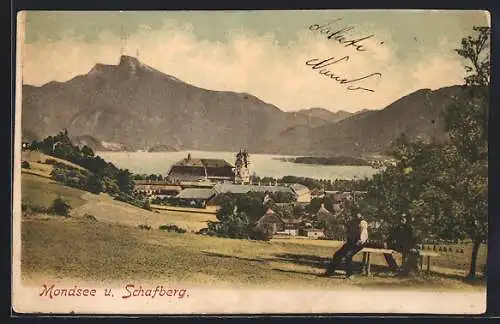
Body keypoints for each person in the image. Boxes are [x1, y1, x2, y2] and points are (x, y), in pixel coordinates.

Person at [323, 213, 369, 278]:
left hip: (360, 243)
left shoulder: (363, 223)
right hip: (351, 241)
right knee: (337, 255)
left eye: (358, 216)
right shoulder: (351, 222)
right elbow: (343, 225)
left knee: (348, 256)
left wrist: (354, 245)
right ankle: (330, 272)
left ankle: (350, 274)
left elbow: (362, 237)